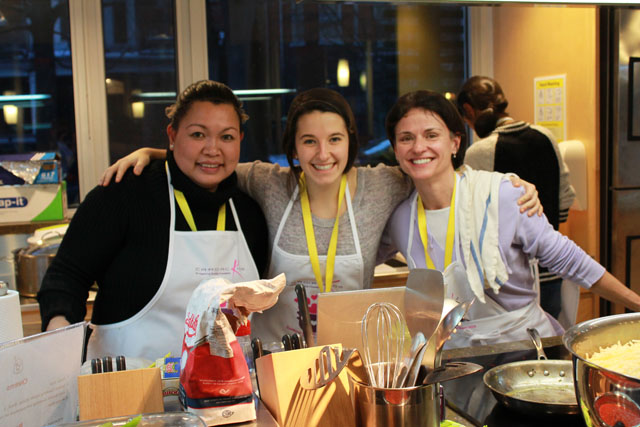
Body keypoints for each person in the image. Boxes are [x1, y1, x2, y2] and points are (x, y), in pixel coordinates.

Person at [99, 88, 541, 345]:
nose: (323, 153)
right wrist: (156, 153)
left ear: (350, 141)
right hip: (276, 355)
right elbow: (212, 160)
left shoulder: (382, 184)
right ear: (293, 148)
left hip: (350, 356)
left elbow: (434, 165)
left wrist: (506, 185)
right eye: (308, 141)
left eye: (334, 139)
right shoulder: (270, 183)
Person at [379, 89, 640, 348]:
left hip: (523, 348)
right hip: (455, 354)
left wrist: (635, 304)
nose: (418, 147)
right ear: (396, 150)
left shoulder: (501, 196)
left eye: (431, 135)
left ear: (455, 142)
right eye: (406, 138)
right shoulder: (401, 220)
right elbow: (365, 255)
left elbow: (569, 259)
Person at [37, 80, 269, 361]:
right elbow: (66, 277)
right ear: (172, 135)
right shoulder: (124, 193)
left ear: (240, 140)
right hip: (126, 380)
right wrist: (59, 335)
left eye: (227, 137)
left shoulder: (249, 213)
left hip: (224, 384)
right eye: (198, 134)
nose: (212, 149)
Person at [456, 76, 575, 319]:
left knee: (514, 342)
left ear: (468, 110)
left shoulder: (480, 151)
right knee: (549, 337)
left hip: (509, 282)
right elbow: (565, 201)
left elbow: (470, 219)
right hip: (551, 271)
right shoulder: (546, 135)